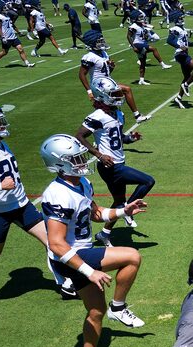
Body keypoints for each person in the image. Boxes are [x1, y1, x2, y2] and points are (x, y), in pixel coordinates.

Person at [40, 134, 147, 347]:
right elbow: (56, 243)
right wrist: (90, 271)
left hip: (79, 253)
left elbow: (96, 213)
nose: (81, 161)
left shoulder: (82, 183)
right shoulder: (57, 194)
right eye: (74, 158)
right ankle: (119, 307)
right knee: (132, 256)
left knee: (96, 311)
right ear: (59, 164)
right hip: (70, 256)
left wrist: (123, 210)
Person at [0, 100, 75, 305]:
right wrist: (0, 187)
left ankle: (66, 283)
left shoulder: (0, 143)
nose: (3, 123)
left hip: (22, 205)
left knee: (52, 242)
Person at [75, 77, 156, 245]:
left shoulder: (118, 113)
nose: (118, 96)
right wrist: (99, 154)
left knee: (118, 202)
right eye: (113, 94)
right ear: (101, 95)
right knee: (148, 181)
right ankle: (128, 210)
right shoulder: (97, 116)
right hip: (110, 166)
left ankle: (105, 233)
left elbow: (119, 139)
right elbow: (79, 136)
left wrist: (131, 138)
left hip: (119, 162)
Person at [79, 30, 152, 123]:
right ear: (92, 43)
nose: (101, 43)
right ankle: (136, 116)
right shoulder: (89, 57)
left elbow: (107, 71)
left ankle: (134, 117)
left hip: (107, 82)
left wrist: (111, 67)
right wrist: (89, 91)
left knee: (112, 104)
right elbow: (81, 74)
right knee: (121, 95)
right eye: (99, 41)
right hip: (98, 86)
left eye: (101, 40)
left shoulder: (103, 53)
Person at [167, 11, 193, 109]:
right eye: (180, 18)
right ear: (176, 20)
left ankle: (178, 98)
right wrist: (179, 46)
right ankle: (186, 85)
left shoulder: (182, 29)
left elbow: (184, 42)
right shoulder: (175, 29)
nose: (182, 19)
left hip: (183, 53)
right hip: (180, 54)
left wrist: (192, 44)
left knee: (187, 76)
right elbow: (169, 40)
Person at [129, 9, 172, 85]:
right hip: (137, 44)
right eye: (139, 17)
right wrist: (133, 47)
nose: (141, 18)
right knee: (154, 49)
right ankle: (162, 64)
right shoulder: (133, 26)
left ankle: (141, 80)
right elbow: (128, 36)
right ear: (135, 19)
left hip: (142, 43)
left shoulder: (140, 25)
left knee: (143, 62)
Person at [0, 2, 35, 68]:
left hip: (13, 36)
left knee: (21, 49)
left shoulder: (7, 16)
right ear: (0, 9)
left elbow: (11, 25)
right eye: (4, 7)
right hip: (6, 37)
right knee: (4, 52)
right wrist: (2, 37)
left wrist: (18, 32)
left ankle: (27, 63)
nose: (6, 8)